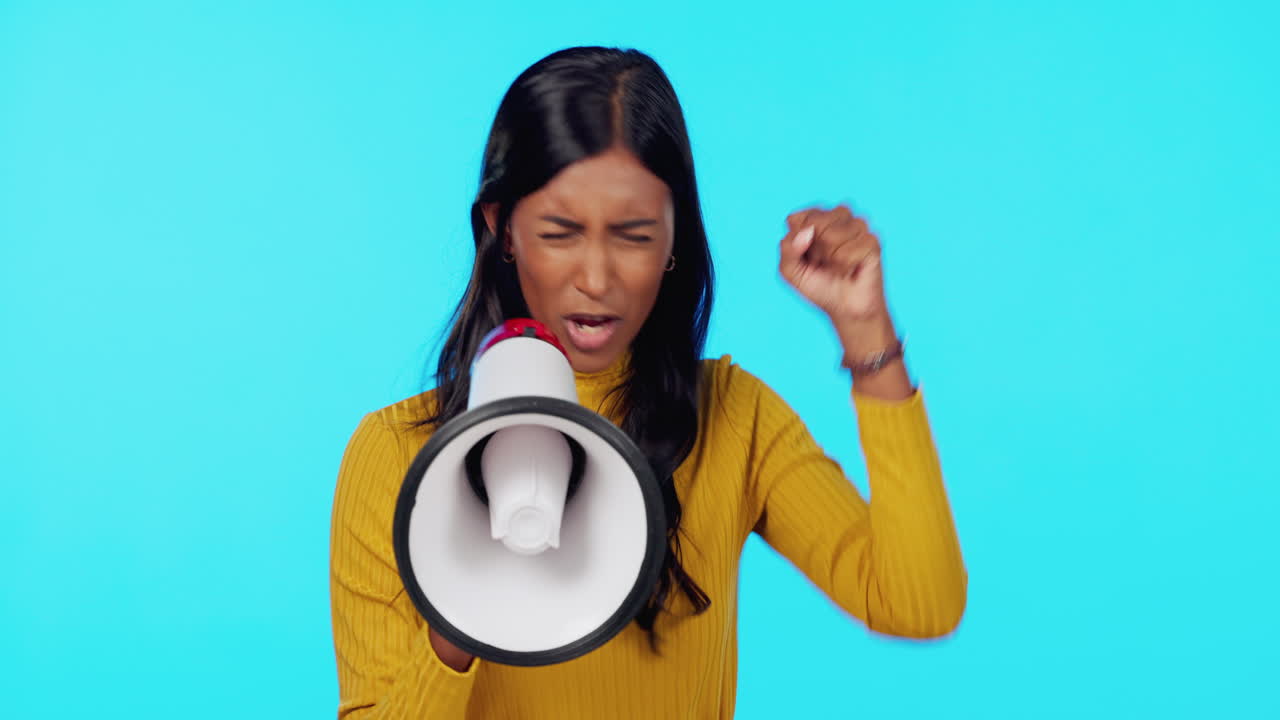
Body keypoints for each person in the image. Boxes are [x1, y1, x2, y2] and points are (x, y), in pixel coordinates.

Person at [330, 46, 966, 719]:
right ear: (503, 228)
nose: (597, 279)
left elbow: (917, 603)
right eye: (560, 232)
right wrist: (461, 611)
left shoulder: (732, 418)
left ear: (673, 241)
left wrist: (866, 329)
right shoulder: (396, 454)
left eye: (633, 236)